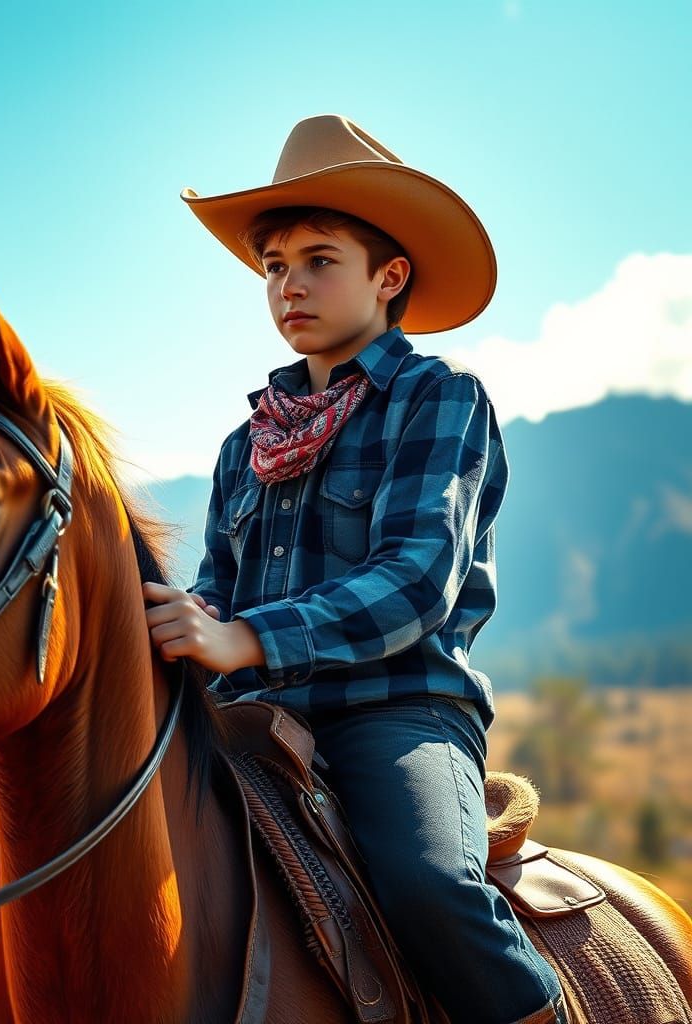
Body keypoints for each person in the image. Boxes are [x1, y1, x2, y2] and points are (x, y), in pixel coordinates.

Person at [142, 114, 569, 1024]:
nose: (289, 285)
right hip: (252, 712)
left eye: (319, 260)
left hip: (396, 709)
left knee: (427, 887)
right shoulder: (243, 442)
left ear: (390, 276)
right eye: (273, 267)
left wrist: (244, 636)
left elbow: (419, 577)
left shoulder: (438, 395)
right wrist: (180, 620)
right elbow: (220, 579)